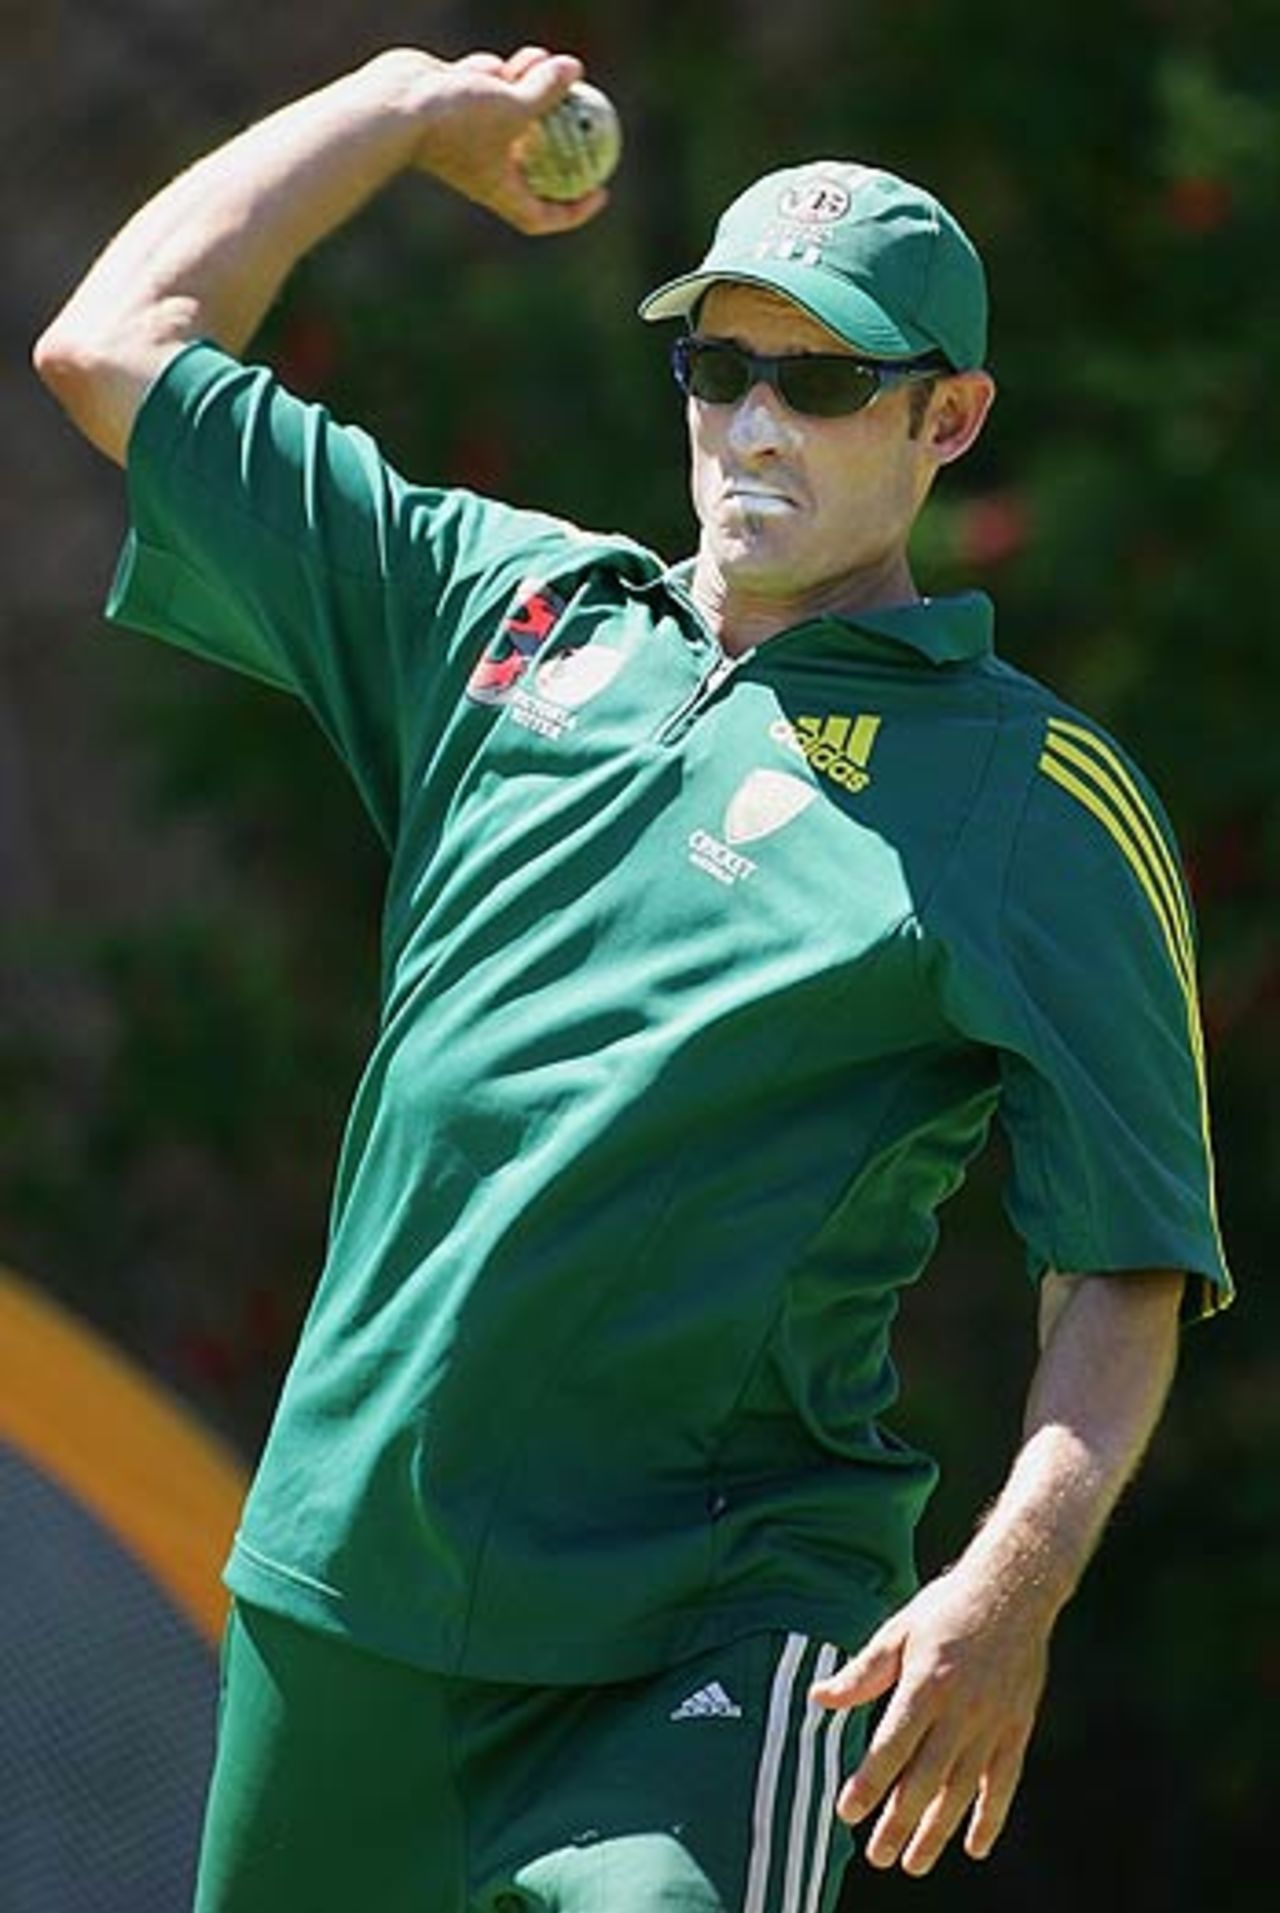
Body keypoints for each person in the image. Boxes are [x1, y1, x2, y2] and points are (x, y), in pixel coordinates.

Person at [34, 41, 1231, 1913]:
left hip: (704, 1631)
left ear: (950, 418)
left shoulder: (1037, 803)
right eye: (721, 366)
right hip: (346, 1579)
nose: (757, 423)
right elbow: (111, 346)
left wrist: (1014, 1583)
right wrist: (402, 108)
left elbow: (1127, 1264)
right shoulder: (503, 613)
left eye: (824, 381)